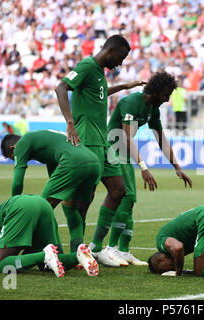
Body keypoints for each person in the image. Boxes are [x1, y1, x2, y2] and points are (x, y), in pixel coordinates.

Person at [55, 34, 145, 266]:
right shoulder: (87, 65)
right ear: (111, 50)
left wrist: (124, 86)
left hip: (102, 142)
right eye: (121, 57)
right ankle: (77, 249)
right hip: (87, 140)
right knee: (83, 198)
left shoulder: (99, 73)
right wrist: (70, 122)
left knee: (119, 190)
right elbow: (61, 87)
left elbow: (100, 94)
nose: (121, 63)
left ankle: (93, 247)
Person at [102, 71, 193, 266]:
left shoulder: (153, 109)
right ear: (156, 91)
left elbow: (161, 137)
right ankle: (110, 249)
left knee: (130, 201)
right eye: (166, 95)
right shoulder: (132, 103)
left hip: (123, 151)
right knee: (126, 197)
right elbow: (125, 137)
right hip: (112, 148)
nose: (168, 100)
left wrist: (177, 166)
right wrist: (143, 167)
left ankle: (124, 251)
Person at [0, 130, 100, 253]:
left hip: (72, 161)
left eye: (12, 157)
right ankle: (77, 254)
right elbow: (53, 174)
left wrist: (13, 203)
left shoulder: (22, 142)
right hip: (94, 163)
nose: (16, 159)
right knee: (70, 208)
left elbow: (18, 181)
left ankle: (58, 255)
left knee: (40, 209)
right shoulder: (44, 141)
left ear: (13, 148)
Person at [0, 194, 99, 277]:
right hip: (42, 204)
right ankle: (79, 255)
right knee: (47, 266)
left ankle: (44, 255)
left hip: (21, 207)